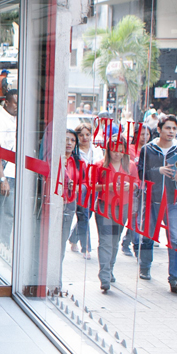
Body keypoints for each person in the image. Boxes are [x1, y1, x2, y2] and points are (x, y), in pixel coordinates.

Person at [137, 116, 177, 292]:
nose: (171, 132)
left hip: (173, 201)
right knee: (148, 235)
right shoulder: (148, 149)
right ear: (159, 129)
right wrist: (157, 171)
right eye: (167, 128)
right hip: (153, 199)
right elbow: (141, 172)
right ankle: (145, 267)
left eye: (174, 128)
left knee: (175, 239)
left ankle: (175, 278)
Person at [94, 137, 138, 292]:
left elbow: (137, 184)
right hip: (105, 207)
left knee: (115, 240)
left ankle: (110, 269)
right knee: (105, 241)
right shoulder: (100, 165)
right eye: (114, 149)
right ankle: (104, 276)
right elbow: (93, 186)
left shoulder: (131, 166)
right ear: (108, 150)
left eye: (121, 149)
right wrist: (109, 187)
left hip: (123, 208)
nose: (117, 153)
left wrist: (130, 186)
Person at [68, 122, 103, 259]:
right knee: (83, 214)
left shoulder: (97, 151)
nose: (84, 138)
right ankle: (86, 248)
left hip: (94, 186)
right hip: (81, 187)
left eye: (87, 134)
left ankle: (73, 238)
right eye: (81, 135)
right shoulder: (74, 152)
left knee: (87, 215)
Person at [0, 89, 18, 246]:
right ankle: (2, 246)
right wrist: (2, 179)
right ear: (6, 102)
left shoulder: (16, 119)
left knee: (11, 212)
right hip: (6, 171)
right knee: (6, 212)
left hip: (16, 170)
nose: (17, 106)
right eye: (15, 103)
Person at [57, 129, 82, 295]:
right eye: (66, 139)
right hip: (54, 204)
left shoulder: (77, 162)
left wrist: (76, 187)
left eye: (72, 140)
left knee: (61, 243)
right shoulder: (55, 159)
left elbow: (83, 183)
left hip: (69, 204)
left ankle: (56, 279)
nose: (69, 143)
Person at [121, 123, 152, 256]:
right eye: (142, 134)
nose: (145, 137)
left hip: (146, 188)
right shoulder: (130, 149)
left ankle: (128, 242)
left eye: (147, 134)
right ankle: (134, 244)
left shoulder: (151, 150)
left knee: (137, 217)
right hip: (132, 187)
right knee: (133, 216)